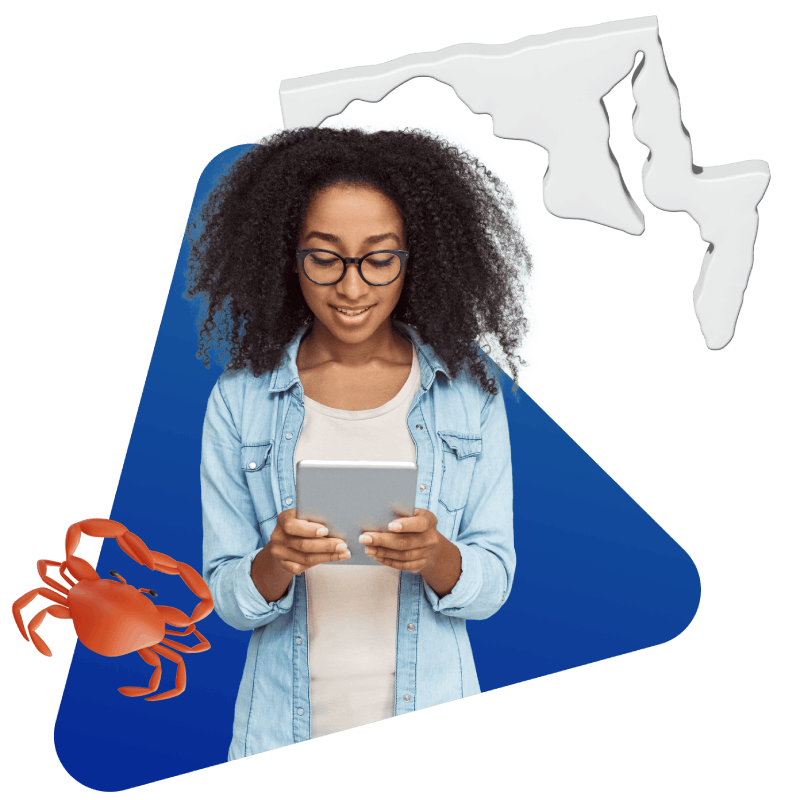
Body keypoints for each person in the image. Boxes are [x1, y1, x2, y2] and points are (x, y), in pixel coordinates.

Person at [184, 121, 535, 758]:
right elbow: (228, 599)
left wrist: (436, 557)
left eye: (379, 259)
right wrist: (275, 562)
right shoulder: (238, 402)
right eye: (324, 257)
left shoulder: (469, 397)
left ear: (415, 257)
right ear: (286, 256)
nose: (351, 287)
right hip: (278, 727)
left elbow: (495, 582)